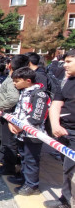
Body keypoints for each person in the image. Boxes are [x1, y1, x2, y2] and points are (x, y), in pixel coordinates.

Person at [8, 67, 50, 195]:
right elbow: (19, 110)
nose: (14, 84)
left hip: (33, 134)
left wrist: (21, 126)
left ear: (27, 80)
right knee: (24, 158)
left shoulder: (39, 94)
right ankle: (24, 178)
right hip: (22, 133)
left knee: (31, 160)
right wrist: (12, 122)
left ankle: (32, 185)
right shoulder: (24, 92)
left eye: (16, 81)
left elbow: (36, 117)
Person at [46, 50, 75, 208]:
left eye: (69, 61)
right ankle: (65, 199)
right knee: (67, 169)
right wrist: (55, 125)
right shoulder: (68, 81)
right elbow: (56, 104)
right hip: (66, 132)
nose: (64, 65)